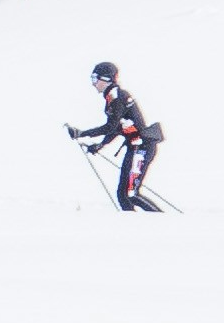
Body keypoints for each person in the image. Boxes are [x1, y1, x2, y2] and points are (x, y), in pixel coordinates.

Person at [67, 60, 161, 210]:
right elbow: (117, 128)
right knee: (122, 195)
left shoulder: (117, 97)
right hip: (135, 147)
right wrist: (100, 145)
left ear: (105, 79)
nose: (93, 83)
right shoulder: (112, 97)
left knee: (131, 194)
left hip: (142, 147)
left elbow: (110, 127)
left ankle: (164, 223)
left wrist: (82, 133)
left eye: (94, 78)